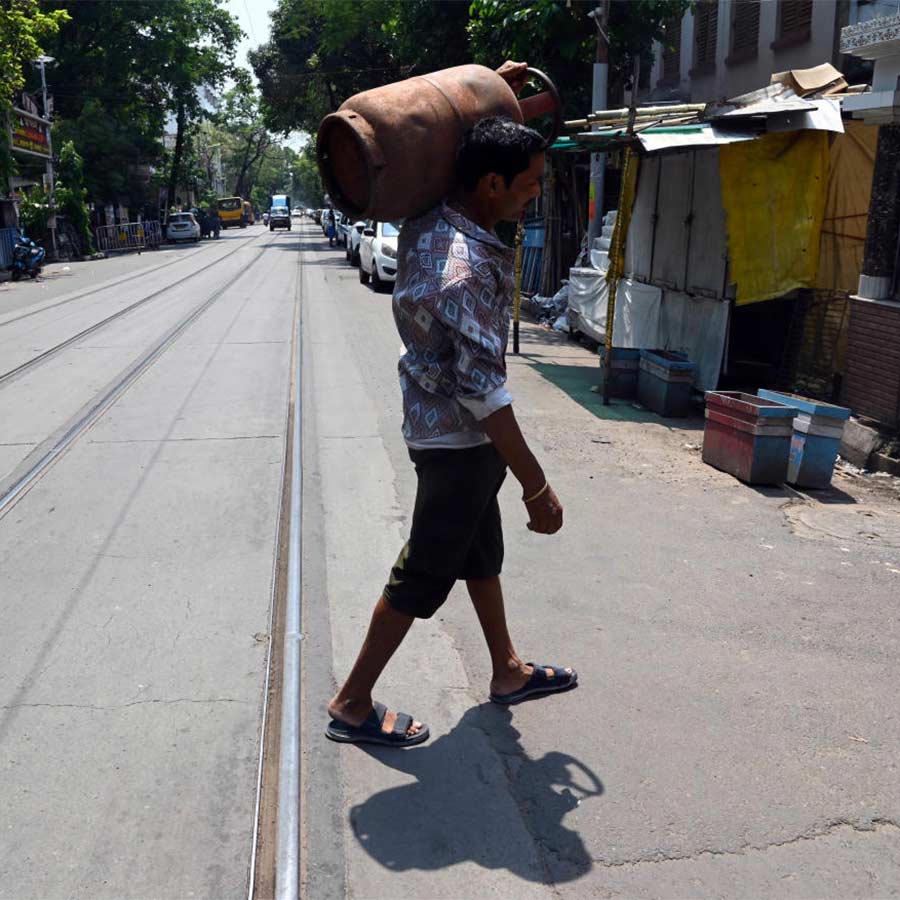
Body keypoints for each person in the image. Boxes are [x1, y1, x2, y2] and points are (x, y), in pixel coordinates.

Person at [326, 96, 574, 749]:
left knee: (479, 551)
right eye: (527, 186)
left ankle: (507, 670)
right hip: (457, 441)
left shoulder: (430, 218)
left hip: (447, 431)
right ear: (490, 184)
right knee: (425, 571)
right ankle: (352, 701)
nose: (533, 197)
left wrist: (498, 90)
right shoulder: (461, 268)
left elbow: (451, 136)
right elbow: (483, 390)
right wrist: (536, 484)